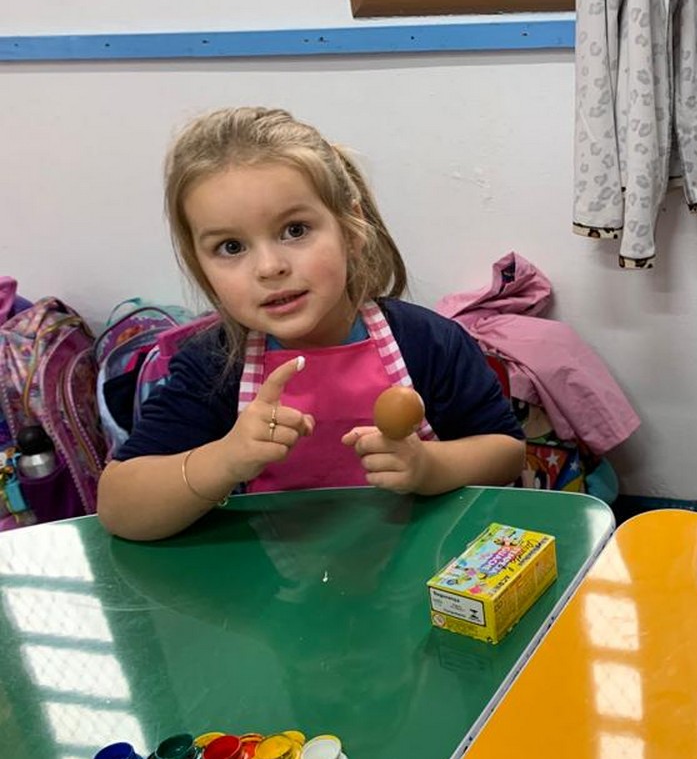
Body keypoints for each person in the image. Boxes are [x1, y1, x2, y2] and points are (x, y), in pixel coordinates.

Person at [98, 107, 526, 541]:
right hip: (268, 579)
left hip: (420, 567)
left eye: (295, 230)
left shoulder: (429, 342)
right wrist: (224, 459)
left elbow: (507, 453)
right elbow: (119, 509)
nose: (269, 267)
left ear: (351, 228)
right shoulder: (213, 366)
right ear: (200, 265)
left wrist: (428, 467)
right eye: (231, 247)